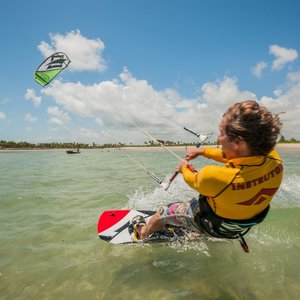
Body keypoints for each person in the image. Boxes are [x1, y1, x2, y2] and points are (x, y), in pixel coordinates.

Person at [132, 100, 283, 251]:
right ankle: (194, 231)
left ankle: (144, 232)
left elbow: (191, 178)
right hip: (237, 228)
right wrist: (203, 151)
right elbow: (238, 156)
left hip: (213, 226)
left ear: (238, 142)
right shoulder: (275, 161)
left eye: (222, 133)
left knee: (164, 211)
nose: (218, 138)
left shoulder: (213, 177)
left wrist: (184, 167)